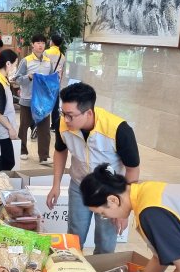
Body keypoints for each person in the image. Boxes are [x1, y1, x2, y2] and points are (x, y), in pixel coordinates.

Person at [46, 82, 140, 253]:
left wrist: (123, 209)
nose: (65, 120)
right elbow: (60, 152)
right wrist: (56, 184)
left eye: (70, 115)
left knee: (105, 240)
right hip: (79, 185)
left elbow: (133, 170)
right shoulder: (63, 124)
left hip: (110, 193)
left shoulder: (118, 129)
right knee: (75, 235)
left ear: (88, 112)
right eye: (63, 113)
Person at [14, 34, 53, 163]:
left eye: (43, 43)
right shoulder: (26, 60)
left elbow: (52, 80)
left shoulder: (48, 62)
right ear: (32, 45)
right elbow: (18, 79)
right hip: (27, 99)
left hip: (43, 102)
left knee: (44, 129)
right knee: (24, 127)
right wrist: (29, 77)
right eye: (38, 42)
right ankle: (22, 151)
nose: (40, 45)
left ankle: (44, 156)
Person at [0, 49, 19, 171]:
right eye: (15, 64)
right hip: (1, 131)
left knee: (7, 162)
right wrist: (10, 128)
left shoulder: (1, 79)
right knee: (6, 163)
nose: (15, 68)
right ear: (7, 64)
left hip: (3, 130)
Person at [45, 33, 66, 132]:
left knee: (43, 102)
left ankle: (42, 123)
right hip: (55, 82)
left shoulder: (46, 52)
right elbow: (62, 72)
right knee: (55, 104)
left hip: (46, 81)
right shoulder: (62, 56)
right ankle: (54, 125)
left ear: (52, 42)